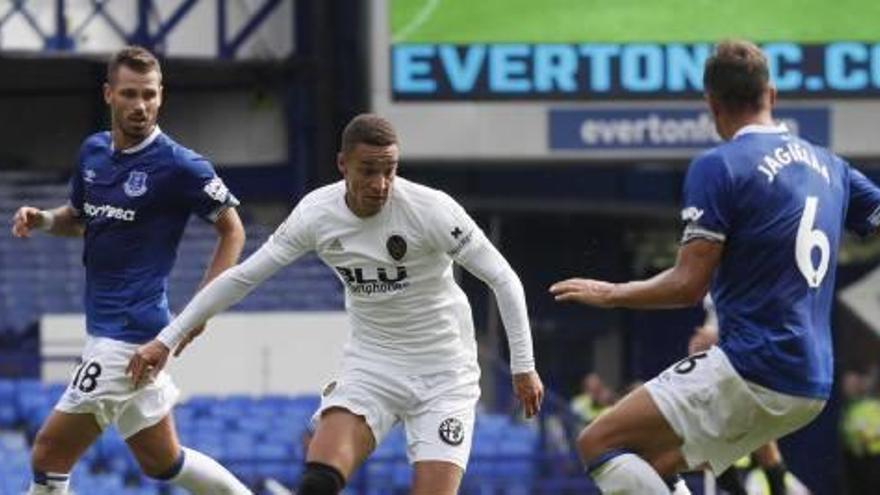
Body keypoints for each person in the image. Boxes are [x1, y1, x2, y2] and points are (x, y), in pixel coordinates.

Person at [126, 113, 545, 495]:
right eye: (368, 171)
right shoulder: (317, 214)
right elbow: (244, 276)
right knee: (317, 482)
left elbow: (502, 278)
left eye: (389, 171)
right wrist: (168, 338)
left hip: (444, 375)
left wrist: (523, 366)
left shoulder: (431, 209)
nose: (380, 184)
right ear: (342, 164)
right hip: (373, 366)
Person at [549, 39, 880, 493]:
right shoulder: (832, 167)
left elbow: (687, 285)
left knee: (598, 441)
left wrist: (612, 293)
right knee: (655, 462)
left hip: (755, 366)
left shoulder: (719, 166)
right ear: (772, 94)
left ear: (711, 103)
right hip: (813, 382)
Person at [11, 46, 250, 494]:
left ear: (161, 96)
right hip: (106, 327)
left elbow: (232, 231)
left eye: (149, 95)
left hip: (130, 335)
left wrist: (199, 312)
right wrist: (41, 219)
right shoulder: (94, 153)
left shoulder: (181, 165)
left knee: (49, 452)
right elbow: (81, 219)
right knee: (163, 462)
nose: (140, 105)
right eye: (129, 94)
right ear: (109, 95)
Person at [690, 296, 791, 495]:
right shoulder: (713, 275)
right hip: (721, 362)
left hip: (748, 360)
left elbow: (768, 319)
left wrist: (719, 337)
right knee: (717, 443)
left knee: (763, 443)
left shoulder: (757, 275)